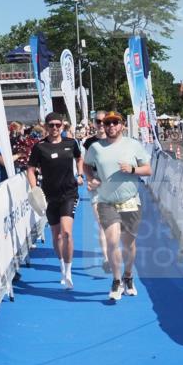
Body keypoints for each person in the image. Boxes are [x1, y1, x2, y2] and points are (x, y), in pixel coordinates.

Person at [84, 110, 152, 301]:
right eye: (107, 123)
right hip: (106, 202)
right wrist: (92, 178)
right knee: (113, 242)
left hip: (130, 201)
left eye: (115, 123)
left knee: (128, 244)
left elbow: (148, 169)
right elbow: (86, 165)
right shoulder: (96, 147)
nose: (111, 126)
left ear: (122, 125)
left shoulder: (133, 145)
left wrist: (132, 169)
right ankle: (116, 281)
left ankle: (128, 276)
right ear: (103, 126)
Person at [27, 112, 84, 289]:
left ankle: (68, 272)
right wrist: (34, 188)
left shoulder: (70, 143)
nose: (54, 128)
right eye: (51, 125)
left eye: (58, 125)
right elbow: (30, 169)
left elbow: (79, 157)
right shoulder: (39, 147)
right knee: (56, 235)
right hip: (49, 196)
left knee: (66, 233)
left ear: (63, 126)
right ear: (46, 126)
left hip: (69, 193)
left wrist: (80, 174)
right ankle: (61, 266)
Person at [84, 111, 111, 271]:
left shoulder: (114, 140)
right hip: (96, 184)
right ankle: (106, 259)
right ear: (93, 123)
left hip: (113, 186)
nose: (101, 124)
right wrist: (88, 179)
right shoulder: (89, 142)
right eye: (98, 121)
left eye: (104, 121)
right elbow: (84, 164)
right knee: (102, 224)